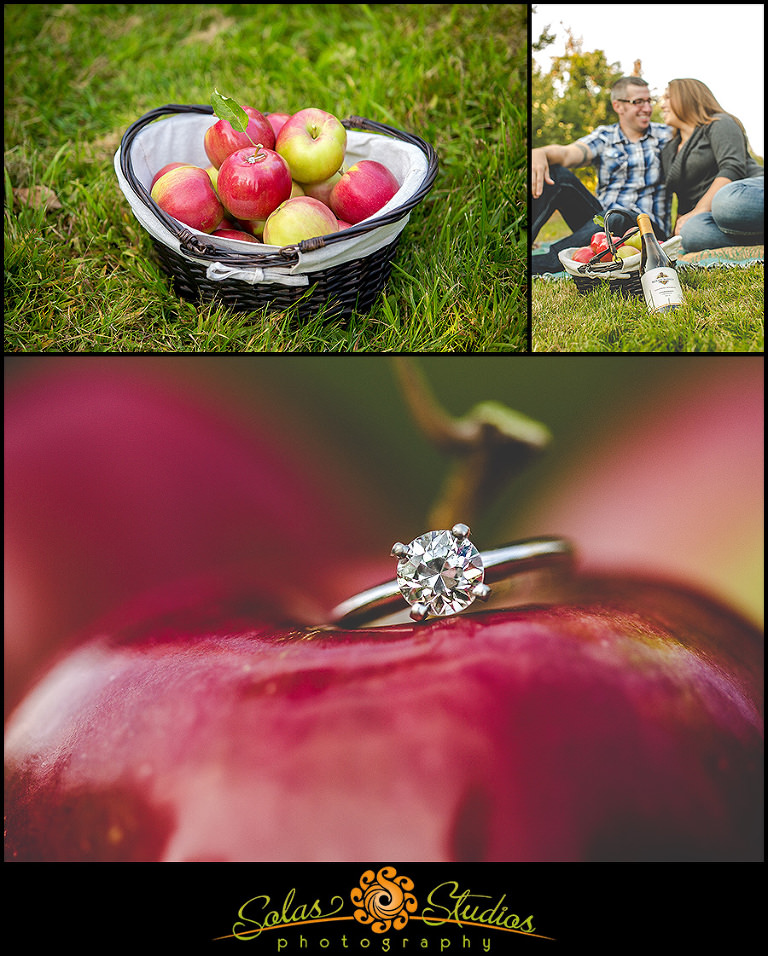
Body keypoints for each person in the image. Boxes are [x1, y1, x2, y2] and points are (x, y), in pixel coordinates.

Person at [531, 75, 674, 275]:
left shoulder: (667, 135)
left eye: (649, 101)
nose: (648, 108)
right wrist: (541, 153)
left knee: (619, 215)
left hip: (647, 229)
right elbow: (568, 154)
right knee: (557, 175)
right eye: (638, 102)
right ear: (618, 106)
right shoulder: (605, 137)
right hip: (602, 224)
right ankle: (514, 244)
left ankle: (544, 263)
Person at [660, 78, 764, 252]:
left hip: (746, 195)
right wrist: (676, 235)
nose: (662, 105)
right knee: (691, 233)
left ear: (686, 97)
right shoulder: (669, 150)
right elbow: (684, 201)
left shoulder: (718, 123)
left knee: (725, 202)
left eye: (668, 97)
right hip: (716, 215)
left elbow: (732, 169)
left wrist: (699, 210)